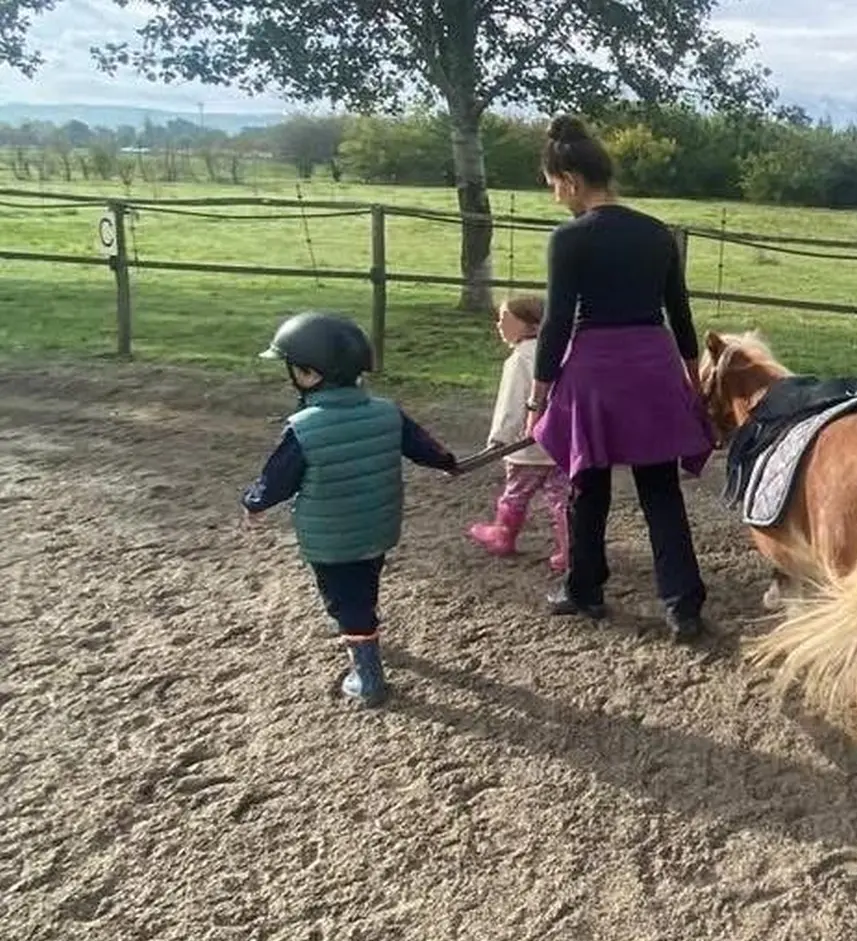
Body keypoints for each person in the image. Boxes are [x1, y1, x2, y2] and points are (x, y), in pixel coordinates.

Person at [530, 113, 716, 641]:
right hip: (653, 367)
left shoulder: (569, 239)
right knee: (661, 491)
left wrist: (538, 395)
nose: (554, 198)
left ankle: (584, 589)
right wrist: (691, 376)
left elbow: (556, 322)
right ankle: (683, 605)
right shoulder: (657, 233)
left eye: (552, 187)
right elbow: (679, 311)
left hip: (596, 372)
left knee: (587, 485)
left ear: (568, 180)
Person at [241, 311, 458, 707]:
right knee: (363, 586)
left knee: (347, 602)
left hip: (331, 538)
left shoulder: (304, 427)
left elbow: (277, 479)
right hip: (378, 529)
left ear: (308, 374)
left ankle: (368, 677)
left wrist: (253, 503)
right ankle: (362, 631)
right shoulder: (387, 411)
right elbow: (425, 447)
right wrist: (447, 463)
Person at [467, 293, 568, 572]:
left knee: (515, 494)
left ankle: (503, 535)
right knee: (561, 499)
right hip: (559, 444)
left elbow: (511, 404)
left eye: (506, 319)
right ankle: (570, 549)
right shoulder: (565, 352)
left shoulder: (519, 361)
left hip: (524, 448)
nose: (500, 325)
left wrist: (499, 438)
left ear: (532, 326)